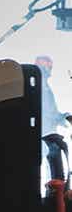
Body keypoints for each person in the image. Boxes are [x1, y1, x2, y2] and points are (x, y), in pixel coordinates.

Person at [40, 55, 69, 183]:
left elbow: (51, 111)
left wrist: (62, 117)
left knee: (52, 167)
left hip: (48, 134)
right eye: (47, 66)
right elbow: (47, 111)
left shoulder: (44, 86)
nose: (49, 69)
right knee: (53, 167)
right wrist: (61, 118)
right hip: (46, 135)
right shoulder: (41, 86)